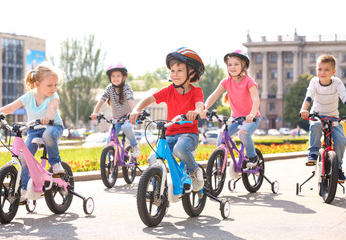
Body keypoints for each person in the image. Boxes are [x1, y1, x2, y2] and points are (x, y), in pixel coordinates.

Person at [129, 47, 205, 191]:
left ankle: (194, 170)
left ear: (192, 73)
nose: (174, 74)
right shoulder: (169, 90)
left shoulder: (196, 91)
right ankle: (159, 190)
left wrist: (196, 111)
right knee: (153, 158)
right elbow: (150, 98)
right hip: (169, 133)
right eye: (172, 70)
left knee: (180, 149)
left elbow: (200, 105)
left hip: (188, 134)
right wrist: (136, 109)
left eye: (180, 70)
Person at [0, 62, 65, 201]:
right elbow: (11, 107)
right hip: (34, 130)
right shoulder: (29, 97)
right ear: (37, 84)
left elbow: (52, 108)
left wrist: (48, 118)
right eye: (50, 85)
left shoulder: (54, 96)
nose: (54, 88)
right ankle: (24, 189)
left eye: (56, 85)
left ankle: (55, 163)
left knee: (47, 134)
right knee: (24, 158)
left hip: (53, 127)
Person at [201, 49, 260, 168]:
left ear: (243, 66)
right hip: (235, 118)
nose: (232, 67)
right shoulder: (226, 82)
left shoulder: (249, 82)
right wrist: (205, 108)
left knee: (243, 133)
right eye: (230, 65)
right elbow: (214, 96)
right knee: (222, 135)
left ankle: (252, 157)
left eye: (236, 64)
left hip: (252, 119)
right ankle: (219, 165)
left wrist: (252, 114)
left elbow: (256, 100)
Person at [300, 54, 346, 181]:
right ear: (316, 70)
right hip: (317, 115)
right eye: (320, 69)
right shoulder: (314, 81)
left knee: (341, 141)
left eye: (326, 70)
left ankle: (338, 168)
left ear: (333, 72)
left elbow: (344, 97)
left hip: (334, 118)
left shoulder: (337, 82)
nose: (323, 72)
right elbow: (309, 97)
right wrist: (304, 109)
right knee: (315, 125)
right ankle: (313, 153)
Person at [90, 63, 140, 158]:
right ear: (110, 78)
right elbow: (101, 100)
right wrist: (95, 112)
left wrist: (134, 112)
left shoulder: (126, 88)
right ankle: (112, 162)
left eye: (118, 76)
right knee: (109, 140)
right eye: (113, 76)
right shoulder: (109, 88)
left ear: (123, 77)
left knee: (126, 128)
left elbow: (130, 99)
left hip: (127, 117)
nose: (115, 78)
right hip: (116, 118)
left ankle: (134, 145)